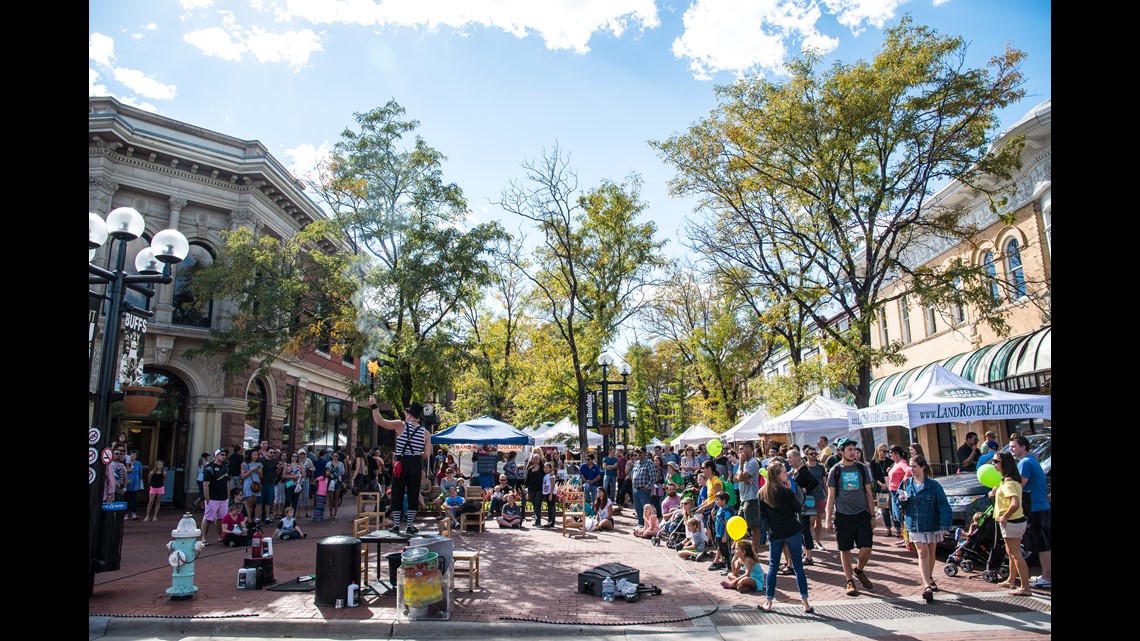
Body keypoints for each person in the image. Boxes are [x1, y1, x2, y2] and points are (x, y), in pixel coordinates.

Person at [368, 395, 433, 535]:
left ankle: (396, 525)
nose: (405, 415)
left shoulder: (400, 425)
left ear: (409, 415)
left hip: (401, 463)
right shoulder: (426, 433)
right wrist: (416, 453)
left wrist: (374, 405)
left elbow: (379, 421)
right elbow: (426, 455)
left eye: (406, 413)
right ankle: (410, 525)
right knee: (413, 493)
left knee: (397, 492)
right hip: (415, 463)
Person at [758, 460, 813, 614]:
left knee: (773, 566)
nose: (786, 474)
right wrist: (790, 490)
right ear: (777, 475)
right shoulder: (785, 491)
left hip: (776, 533)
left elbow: (763, 516)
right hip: (791, 531)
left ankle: (768, 601)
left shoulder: (762, 493)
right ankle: (805, 602)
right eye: (783, 472)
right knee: (798, 566)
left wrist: (770, 530)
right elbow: (797, 508)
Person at [896, 454, 953, 603]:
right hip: (915, 523)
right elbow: (899, 503)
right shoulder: (907, 484)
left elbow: (943, 505)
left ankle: (929, 576)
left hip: (931, 523)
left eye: (914, 466)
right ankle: (927, 585)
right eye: (910, 466)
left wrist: (945, 525)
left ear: (922, 467)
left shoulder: (933, 486)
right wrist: (901, 501)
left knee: (931, 553)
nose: (911, 469)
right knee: (923, 552)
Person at [824, 437, 877, 597]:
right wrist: (828, 518)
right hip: (843, 515)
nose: (853, 452)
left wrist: (872, 515)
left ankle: (859, 570)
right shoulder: (836, 470)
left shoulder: (862, 469)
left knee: (866, 547)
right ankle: (849, 581)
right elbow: (831, 496)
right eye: (849, 450)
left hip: (862, 514)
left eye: (855, 449)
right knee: (845, 549)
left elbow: (869, 492)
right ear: (841, 452)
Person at [990, 452, 1033, 596]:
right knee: (1011, 553)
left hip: (1012, 521)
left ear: (1004, 464)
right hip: (1014, 522)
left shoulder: (1009, 483)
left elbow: (1015, 503)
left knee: (1016, 554)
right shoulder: (1008, 481)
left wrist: (1005, 516)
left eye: (996, 461)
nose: (993, 464)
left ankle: (1025, 587)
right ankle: (1011, 580)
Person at [1012, 436, 1051, 590]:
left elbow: (1019, 486)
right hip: (1041, 506)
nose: (1012, 450)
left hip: (1035, 508)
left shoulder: (1025, 463)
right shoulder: (1032, 461)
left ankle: (1047, 577)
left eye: (1014, 446)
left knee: (1042, 545)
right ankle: (1046, 575)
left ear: (1023, 447)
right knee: (1044, 544)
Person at [787, 449, 818, 566]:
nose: (788, 460)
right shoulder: (795, 470)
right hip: (798, 503)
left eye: (790, 458)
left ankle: (809, 556)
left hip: (805, 503)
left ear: (796, 458)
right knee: (801, 528)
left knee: (805, 529)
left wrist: (806, 489)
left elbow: (814, 481)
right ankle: (806, 553)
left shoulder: (804, 470)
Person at [735, 441, 765, 552]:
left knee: (754, 525)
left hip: (751, 498)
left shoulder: (752, 462)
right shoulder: (743, 463)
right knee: (739, 523)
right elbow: (736, 478)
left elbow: (741, 476)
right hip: (743, 498)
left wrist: (741, 467)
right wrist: (742, 475)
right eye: (739, 450)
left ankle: (755, 550)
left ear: (750, 450)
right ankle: (740, 548)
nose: (740, 452)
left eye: (742, 449)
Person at [199, 449, 229, 545]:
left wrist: (228, 495)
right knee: (208, 518)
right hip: (213, 498)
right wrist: (207, 497)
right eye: (222, 454)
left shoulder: (226, 467)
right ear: (216, 455)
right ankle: (203, 537)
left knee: (221, 518)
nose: (224, 456)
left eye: (225, 455)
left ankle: (220, 536)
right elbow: (205, 484)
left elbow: (227, 482)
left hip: (223, 498)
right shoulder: (210, 468)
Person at [802, 444, 827, 550]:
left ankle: (818, 541)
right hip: (809, 498)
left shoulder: (820, 467)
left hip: (820, 496)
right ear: (806, 455)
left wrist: (828, 496)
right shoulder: (804, 468)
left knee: (819, 519)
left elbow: (824, 483)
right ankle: (808, 541)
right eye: (811, 454)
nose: (814, 456)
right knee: (811, 520)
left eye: (815, 453)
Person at [885, 444, 911, 542]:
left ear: (896, 453)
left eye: (890, 453)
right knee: (896, 515)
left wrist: (903, 481)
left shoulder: (902, 462)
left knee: (900, 514)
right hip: (893, 491)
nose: (889, 455)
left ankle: (906, 539)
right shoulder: (895, 463)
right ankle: (904, 537)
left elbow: (909, 471)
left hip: (897, 491)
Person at [630, 449, 657, 528]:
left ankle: (648, 524)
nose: (639, 454)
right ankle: (640, 523)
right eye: (637, 453)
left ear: (645, 453)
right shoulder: (636, 463)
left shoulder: (649, 463)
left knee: (646, 508)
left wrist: (647, 487)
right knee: (638, 507)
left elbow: (653, 477)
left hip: (644, 489)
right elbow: (632, 474)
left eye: (640, 453)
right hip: (635, 489)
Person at [707, 491, 733, 571]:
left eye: (717, 500)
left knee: (726, 551)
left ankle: (729, 567)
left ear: (724, 501)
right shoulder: (719, 510)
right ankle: (725, 565)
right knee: (721, 550)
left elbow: (727, 525)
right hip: (718, 534)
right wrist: (712, 516)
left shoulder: (726, 512)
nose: (715, 501)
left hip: (723, 535)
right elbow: (717, 522)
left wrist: (725, 536)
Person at [869, 444, 891, 534]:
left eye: (887, 451)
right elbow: (874, 476)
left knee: (893, 509)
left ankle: (898, 528)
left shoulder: (890, 462)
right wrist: (881, 484)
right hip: (881, 487)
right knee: (884, 508)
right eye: (884, 451)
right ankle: (888, 528)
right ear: (878, 451)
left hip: (889, 486)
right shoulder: (874, 462)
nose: (886, 453)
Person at [240, 448, 263, 524]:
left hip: (256, 484)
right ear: (250, 455)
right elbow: (243, 476)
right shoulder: (245, 464)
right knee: (248, 503)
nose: (255, 456)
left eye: (257, 455)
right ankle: (249, 520)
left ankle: (250, 518)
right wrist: (251, 471)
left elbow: (261, 476)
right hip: (248, 483)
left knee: (253, 503)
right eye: (254, 455)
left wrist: (259, 472)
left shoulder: (259, 464)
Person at [258, 448, 279, 523]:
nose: (272, 454)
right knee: (259, 501)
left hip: (271, 483)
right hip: (262, 483)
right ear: (266, 452)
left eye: (273, 452)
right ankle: (257, 517)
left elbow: (277, 473)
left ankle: (267, 517)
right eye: (271, 452)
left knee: (268, 501)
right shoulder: (261, 460)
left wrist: (278, 468)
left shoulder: (275, 461)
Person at [326, 450, 345, 519]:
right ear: (332, 457)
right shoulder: (328, 463)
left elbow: (343, 472)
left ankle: (335, 513)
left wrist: (338, 467)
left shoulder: (340, 464)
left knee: (336, 497)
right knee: (331, 498)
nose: (335, 457)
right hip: (330, 481)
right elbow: (326, 472)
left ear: (338, 457)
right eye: (334, 456)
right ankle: (330, 513)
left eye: (336, 456)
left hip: (338, 482)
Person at [125, 449, 143, 520]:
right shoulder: (126, 462)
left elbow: (140, 473)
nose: (133, 456)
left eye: (135, 455)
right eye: (132, 454)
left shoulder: (138, 463)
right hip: (126, 482)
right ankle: (125, 513)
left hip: (135, 483)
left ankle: (133, 513)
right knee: (126, 499)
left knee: (134, 499)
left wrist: (138, 481)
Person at [540, 461, 558, 528]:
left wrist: (551, 494)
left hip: (551, 492)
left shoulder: (551, 475)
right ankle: (549, 520)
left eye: (547, 468)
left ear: (550, 468)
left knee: (551, 506)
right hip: (546, 492)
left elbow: (553, 484)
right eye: (544, 468)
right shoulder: (545, 475)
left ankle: (552, 521)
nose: (545, 469)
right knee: (549, 506)